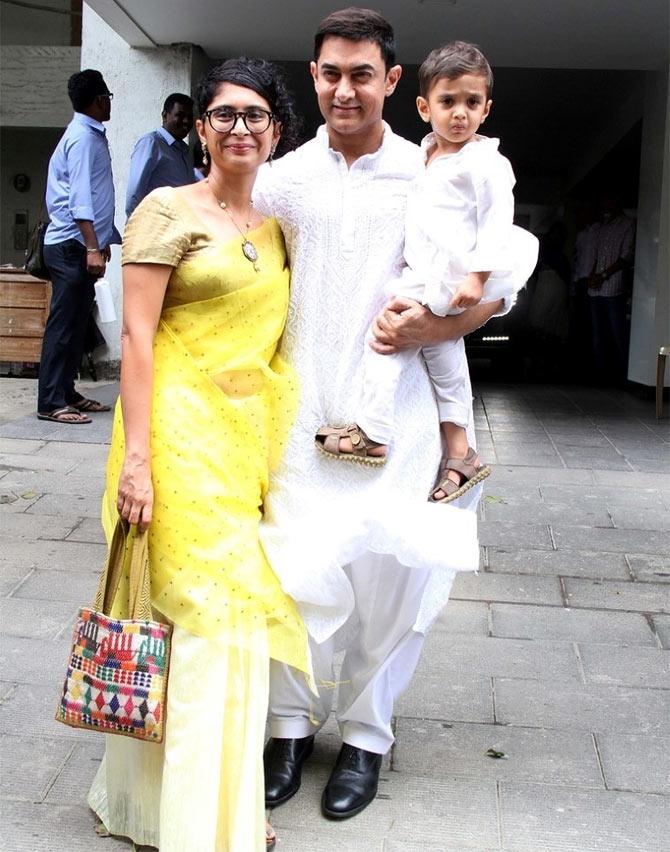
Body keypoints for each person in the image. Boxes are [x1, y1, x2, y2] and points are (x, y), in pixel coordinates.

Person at [255, 8, 509, 822]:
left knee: (393, 581)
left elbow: (498, 279)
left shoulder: (434, 169)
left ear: (395, 83)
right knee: (295, 572)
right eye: (330, 73)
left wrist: (438, 326)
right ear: (314, 78)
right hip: (299, 411)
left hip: (395, 414)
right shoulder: (283, 178)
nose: (344, 89)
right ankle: (289, 727)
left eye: (362, 73)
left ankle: (366, 735)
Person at [86, 58, 311, 852]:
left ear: (277, 132)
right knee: (206, 617)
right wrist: (137, 462)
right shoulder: (165, 209)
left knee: (231, 618)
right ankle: (198, 824)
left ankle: (213, 804)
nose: (241, 128)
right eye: (225, 115)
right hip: (174, 435)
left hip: (243, 439)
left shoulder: (275, 230)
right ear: (203, 128)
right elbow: (138, 340)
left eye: (256, 116)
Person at [315, 41, 537, 503]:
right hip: (428, 271)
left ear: (486, 108)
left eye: (472, 103)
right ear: (423, 107)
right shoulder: (426, 153)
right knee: (446, 361)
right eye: (448, 101)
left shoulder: (486, 162)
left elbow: (498, 221)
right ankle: (461, 451)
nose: (460, 113)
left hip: (447, 278)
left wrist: (477, 277)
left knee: (386, 336)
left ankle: (373, 430)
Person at [37, 69, 119, 424]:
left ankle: (67, 392)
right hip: (71, 246)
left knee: (78, 326)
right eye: (108, 99)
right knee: (64, 326)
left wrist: (104, 240)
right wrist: (90, 246)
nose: (109, 104)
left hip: (82, 244)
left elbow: (98, 195)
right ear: (99, 100)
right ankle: (51, 401)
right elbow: (81, 198)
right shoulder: (83, 139)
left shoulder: (87, 135)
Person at [587, 191, 635, 383]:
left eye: (607, 199)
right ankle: (601, 374)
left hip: (613, 287)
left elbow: (626, 257)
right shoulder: (602, 227)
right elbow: (596, 255)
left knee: (617, 333)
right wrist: (592, 274)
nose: (604, 204)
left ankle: (624, 375)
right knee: (598, 334)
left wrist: (603, 275)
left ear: (616, 200)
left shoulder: (628, 224)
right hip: (596, 287)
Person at [125, 93, 195, 218]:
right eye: (180, 115)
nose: (186, 121)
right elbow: (134, 193)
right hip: (154, 227)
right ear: (164, 116)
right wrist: (136, 227)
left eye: (190, 117)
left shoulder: (184, 150)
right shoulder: (151, 144)